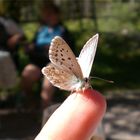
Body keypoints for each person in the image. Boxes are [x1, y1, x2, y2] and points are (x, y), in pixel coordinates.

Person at [21, 2, 74, 108]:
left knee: (49, 78)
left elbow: (69, 50)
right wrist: (29, 47)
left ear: (57, 15)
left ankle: (44, 110)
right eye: (45, 14)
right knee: (27, 74)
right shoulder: (41, 30)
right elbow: (33, 44)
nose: (47, 16)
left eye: (50, 14)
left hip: (55, 62)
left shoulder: (62, 30)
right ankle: (30, 100)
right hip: (37, 61)